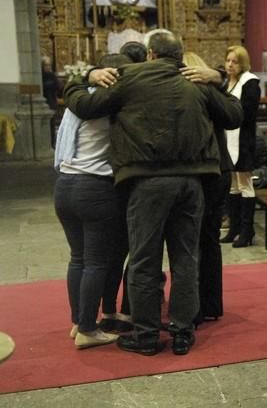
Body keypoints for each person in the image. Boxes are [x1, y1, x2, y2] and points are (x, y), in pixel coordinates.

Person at [64, 32, 243, 356]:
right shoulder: (196, 80)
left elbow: (85, 106)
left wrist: (80, 78)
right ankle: (182, 332)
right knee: (186, 260)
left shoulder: (131, 77)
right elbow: (234, 115)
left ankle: (146, 335)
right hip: (192, 184)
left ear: (150, 54)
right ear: (179, 55)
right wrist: (217, 78)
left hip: (147, 183)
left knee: (145, 261)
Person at [54, 54, 132, 349]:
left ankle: (78, 321)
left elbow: (71, 87)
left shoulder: (79, 98)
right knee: (96, 262)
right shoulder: (109, 102)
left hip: (65, 184)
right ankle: (88, 327)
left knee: (78, 258)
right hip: (95, 186)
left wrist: (86, 74)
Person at [182, 51, 233, 323]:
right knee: (210, 240)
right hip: (221, 169)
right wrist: (221, 79)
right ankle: (211, 303)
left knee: (192, 240)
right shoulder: (213, 93)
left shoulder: (191, 94)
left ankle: (195, 305)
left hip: (202, 171)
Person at [220, 45, 261, 248]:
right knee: (233, 185)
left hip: (243, 141)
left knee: (245, 184)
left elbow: (248, 114)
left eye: (234, 61)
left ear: (242, 63)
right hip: (229, 140)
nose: (229, 65)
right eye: (228, 60)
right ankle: (234, 228)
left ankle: (247, 231)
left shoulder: (250, 82)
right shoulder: (229, 82)